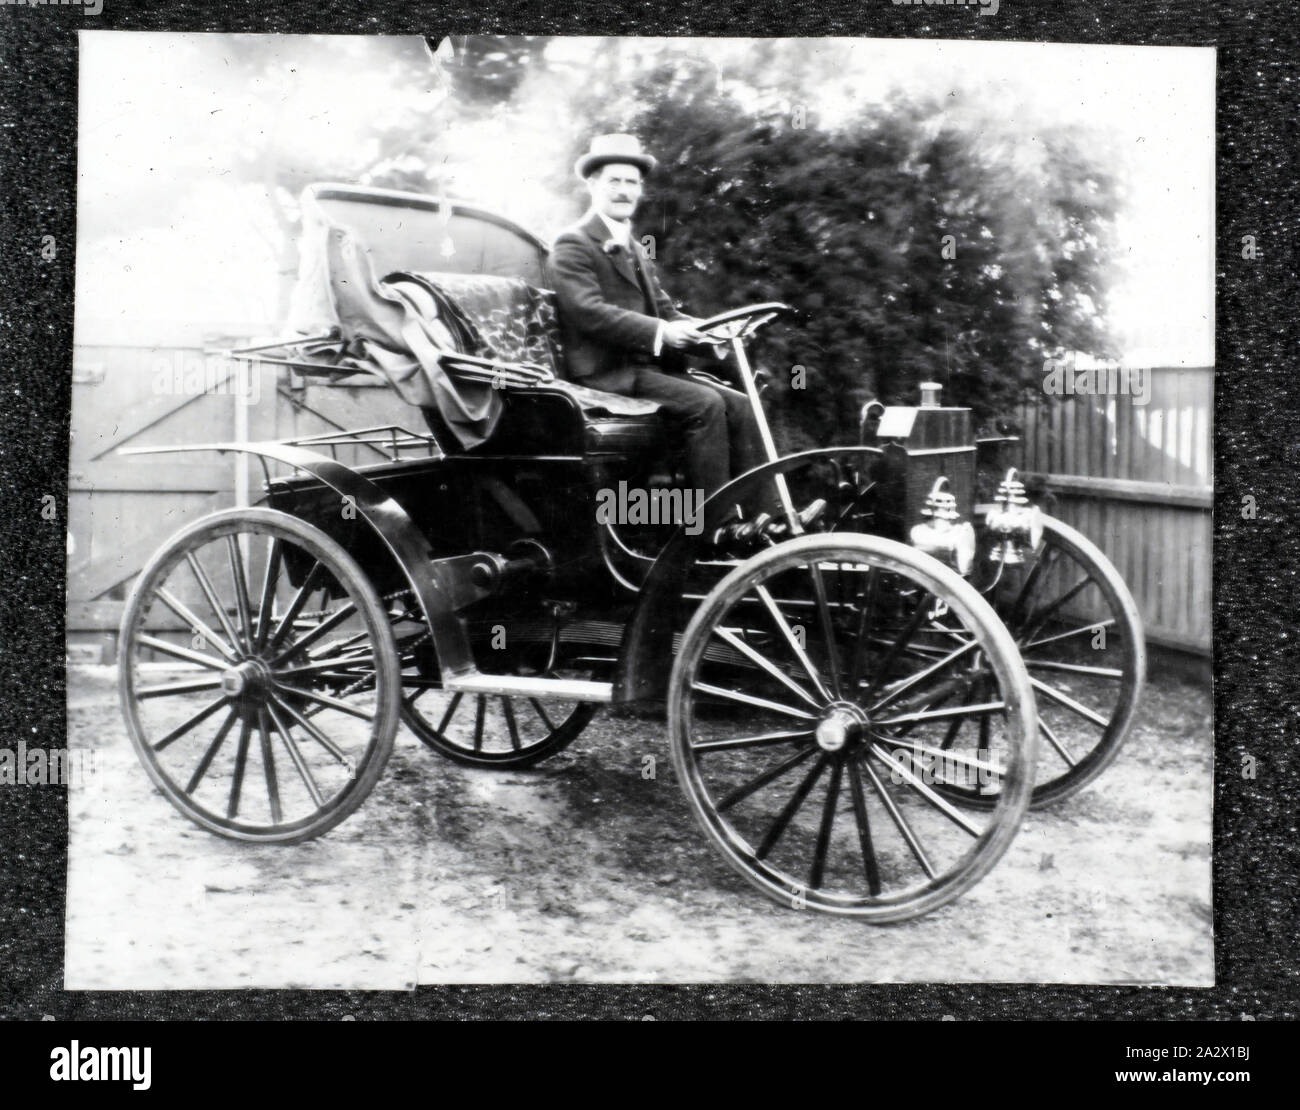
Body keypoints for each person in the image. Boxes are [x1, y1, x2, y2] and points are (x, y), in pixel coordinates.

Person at [548, 133, 771, 501]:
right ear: (592, 185)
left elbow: (665, 311)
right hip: (605, 376)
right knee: (706, 405)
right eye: (613, 181)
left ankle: (766, 520)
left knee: (742, 405)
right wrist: (662, 333)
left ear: (640, 189)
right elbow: (589, 313)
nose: (623, 191)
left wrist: (716, 333)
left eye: (631, 182)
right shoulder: (573, 244)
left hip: (647, 373)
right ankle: (712, 527)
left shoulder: (635, 248)